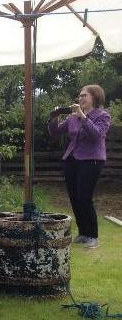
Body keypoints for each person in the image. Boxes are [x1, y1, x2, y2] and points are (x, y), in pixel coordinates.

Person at [48, 84, 111, 249]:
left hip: (92, 160)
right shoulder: (72, 117)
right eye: (80, 96)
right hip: (72, 159)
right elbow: (55, 133)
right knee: (74, 198)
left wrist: (82, 115)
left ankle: (92, 235)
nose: (81, 98)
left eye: (85, 96)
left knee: (85, 197)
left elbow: (96, 135)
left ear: (95, 98)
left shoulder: (103, 116)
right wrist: (54, 117)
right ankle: (83, 233)